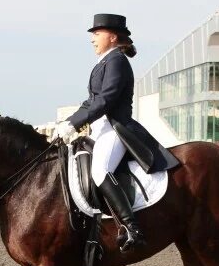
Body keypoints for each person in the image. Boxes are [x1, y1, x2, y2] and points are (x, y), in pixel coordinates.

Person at [55, 13, 179, 252]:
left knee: (100, 170)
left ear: (112, 37)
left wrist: (75, 123)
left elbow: (107, 99)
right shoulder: (104, 62)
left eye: (96, 34)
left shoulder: (117, 62)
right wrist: (68, 122)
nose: (92, 39)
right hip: (100, 129)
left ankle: (132, 227)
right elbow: (91, 101)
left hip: (116, 129)